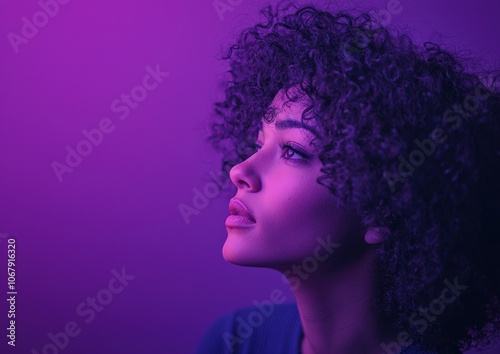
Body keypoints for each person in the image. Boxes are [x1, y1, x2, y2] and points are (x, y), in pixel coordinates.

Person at [197, 1, 500, 353]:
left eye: (293, 150)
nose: (240, 171)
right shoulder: (235, 341)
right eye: (259, 143)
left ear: (383, 212)